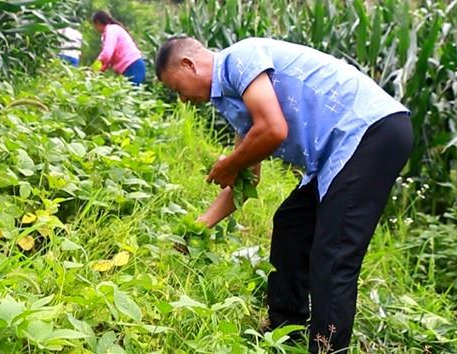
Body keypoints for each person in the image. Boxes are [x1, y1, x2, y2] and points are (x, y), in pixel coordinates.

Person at [155, 36, 412, 353]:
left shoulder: (239, 59)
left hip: (370, 131)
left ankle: (327, 349)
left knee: (333, 255)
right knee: (292, 224)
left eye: (178, 89)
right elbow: (248, 180)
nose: (182, 99)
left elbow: (274, 130)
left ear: (188, 64)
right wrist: (198, 226)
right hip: (343, 148)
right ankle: (285, 331)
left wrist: (229, 164)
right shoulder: (239, 98)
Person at [92, 10, 146, 85]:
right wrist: (95, 73)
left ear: (98, 22)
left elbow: (107, 54)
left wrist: (93, 68)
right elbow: (106, 61)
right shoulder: (108, 33)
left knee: (131, 93)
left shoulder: (112, 30)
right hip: (130, 67)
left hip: (133, 65)